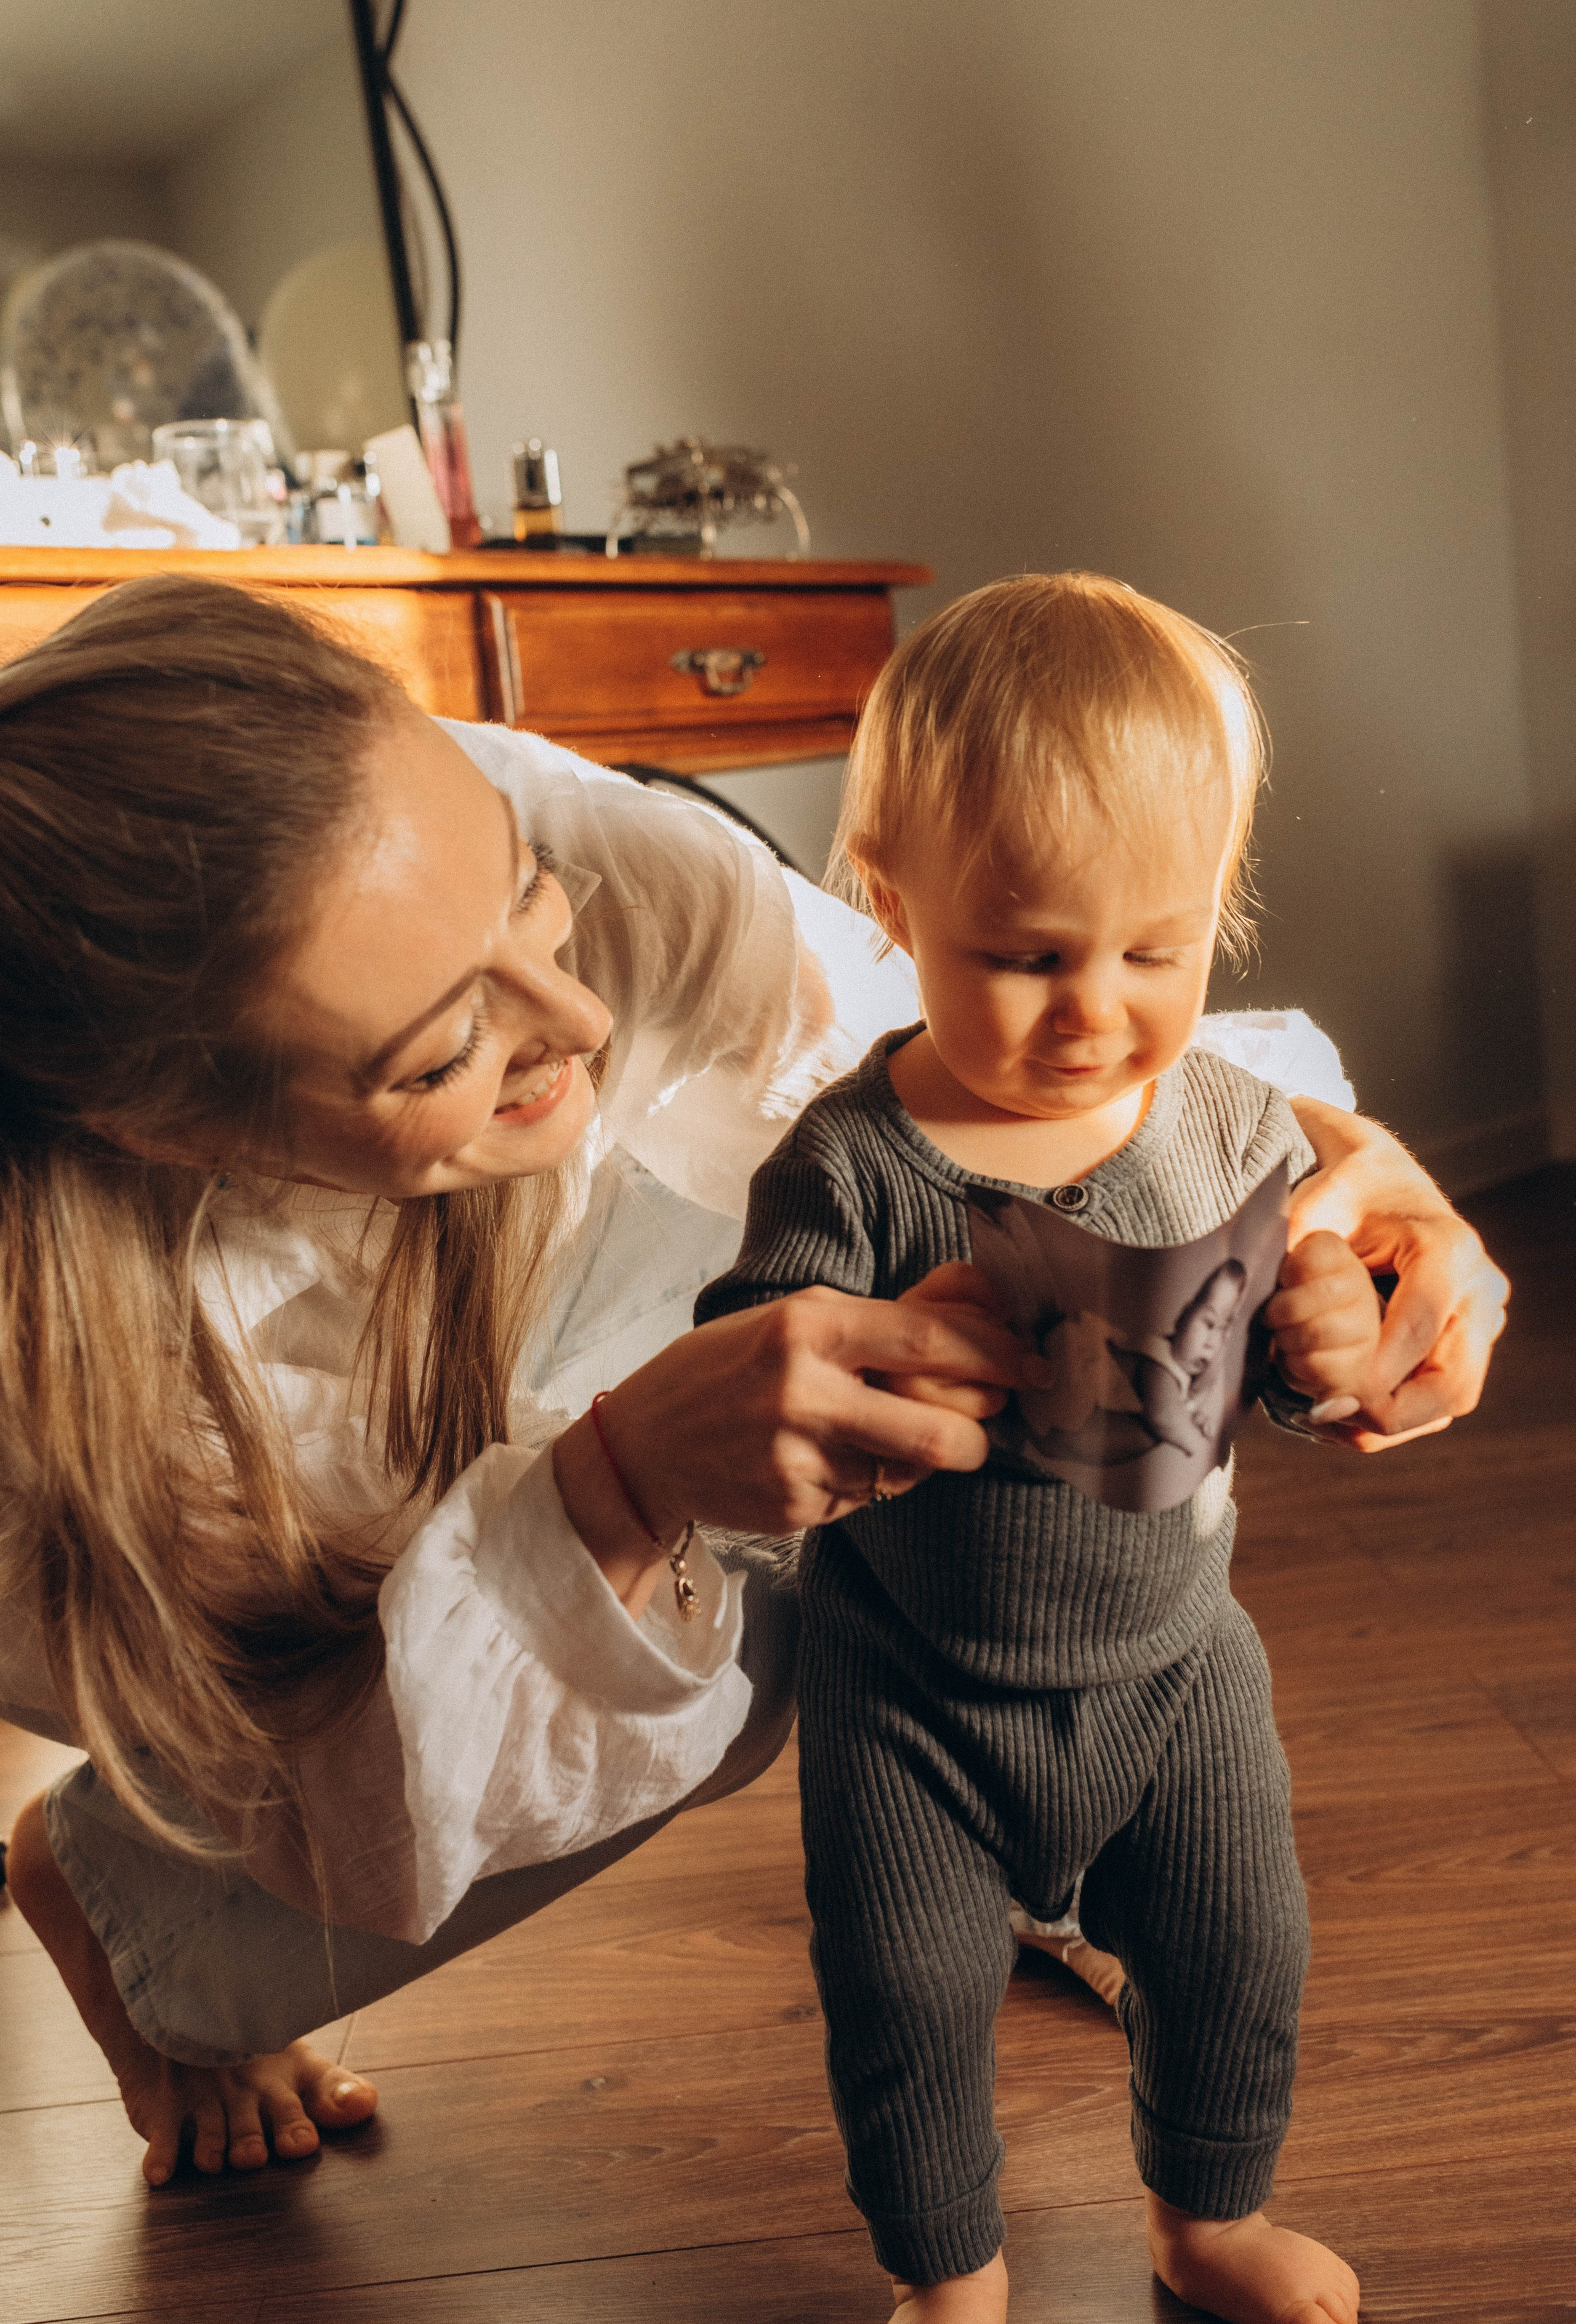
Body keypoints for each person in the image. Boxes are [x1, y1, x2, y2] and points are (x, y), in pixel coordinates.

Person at [0, 579, 1504, 2237]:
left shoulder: (530, 850)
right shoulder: (67, 1400)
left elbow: (962, 1052)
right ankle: (127, 1902)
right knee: (746, 1637)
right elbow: (346, 1797)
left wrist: (1353, 1185)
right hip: (231, 1638)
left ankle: (1051, 1834)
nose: (579, 1020)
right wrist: (627, 1480)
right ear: (167, 1127)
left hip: (561, 1303)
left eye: (533, 901)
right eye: (441, 1054)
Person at [694, 574, 1417, 2324]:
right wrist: (877, 1340)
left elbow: (1281, 1372)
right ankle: (948, 2272)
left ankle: (1210, 2215)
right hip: (913, 1691)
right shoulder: (854, 1159)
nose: (1096, 1008)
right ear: (895, 903)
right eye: (1028, 956)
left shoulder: (1234, 1128)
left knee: (1242, 1948)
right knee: (904, 1996)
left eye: (1155, 952)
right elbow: (751, 1368)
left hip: (1176, 1670)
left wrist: (1329, 1337)